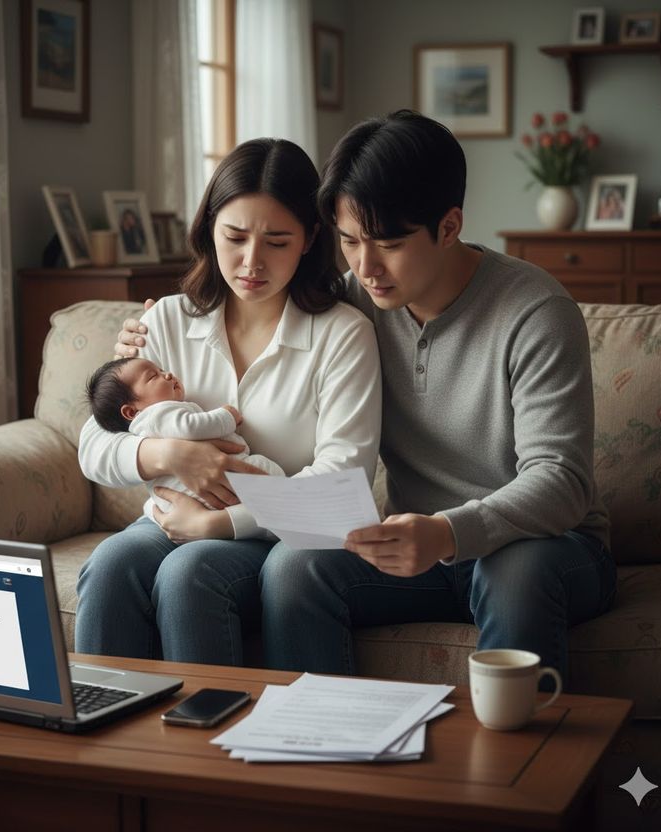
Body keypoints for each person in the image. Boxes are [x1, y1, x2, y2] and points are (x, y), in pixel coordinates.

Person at [118, 111, 616, 684]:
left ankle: (519, 770)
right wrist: (137, 351)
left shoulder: (536, 313)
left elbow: (562, 479)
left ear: (449, 225)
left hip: (545, 546)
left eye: (390, 244)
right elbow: (251, 301)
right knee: (294, 568)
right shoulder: (353, 304)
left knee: (515, 575)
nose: (366, 267)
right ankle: (321, 752)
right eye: (349, 242)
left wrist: (449, 532)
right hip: (414, 546)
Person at [75, 138, 382, 665]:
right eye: (234, 237)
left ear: (310, 239)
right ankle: (99, 737)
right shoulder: (168, 319)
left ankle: (209, 738)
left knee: (188, 572)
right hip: (169, 517)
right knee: (109, 565)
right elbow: (94, 445)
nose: (251, 263)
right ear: (208, 228)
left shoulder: (343, 334)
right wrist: (171, 456)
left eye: (277, 242)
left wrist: (219, 523)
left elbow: (341, 483)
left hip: (281, 532)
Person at [84, 355, 284, 522]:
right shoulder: (157, 415)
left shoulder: (147, 422)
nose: (168, 374)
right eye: (154, 376)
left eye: (161, 369)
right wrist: (227, 416)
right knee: (268, 471)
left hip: (186, 503)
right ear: (130, 411)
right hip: (204, 493)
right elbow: (190, 427)